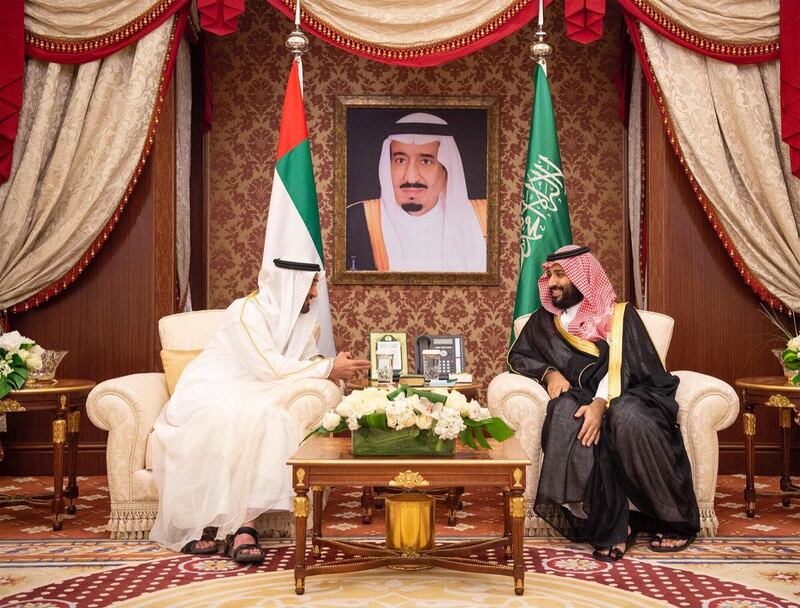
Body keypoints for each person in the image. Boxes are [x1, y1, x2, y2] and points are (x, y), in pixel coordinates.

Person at [149, 257, 370, 562]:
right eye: (311, 286)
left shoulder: (304, 320)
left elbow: (302, 363)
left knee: (270, 420)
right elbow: (269, 367)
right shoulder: (244, 312)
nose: (315, 294)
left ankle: (244, 527)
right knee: (236, 416)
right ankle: (201, 524)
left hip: (258, 391)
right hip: (212, 388)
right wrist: (329, 367)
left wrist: (326, 365)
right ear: (287, 285)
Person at [508, 244, 699, 561]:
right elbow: (520, 356)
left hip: (634, 393)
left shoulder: (620, 315)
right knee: (566, 413)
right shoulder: (544, 321)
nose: (552, 283)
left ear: (582, 279)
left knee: (624, 417)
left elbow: (626, 367)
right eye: (550, 275)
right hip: (580, 396)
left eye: (561, 275)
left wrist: (601, 404)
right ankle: (610, 525)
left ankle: (674, 521)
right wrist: (549, 373)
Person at [346, 112, 487, 272]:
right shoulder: (355, 221)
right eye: (400, 160)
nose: (411, 176)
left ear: (445, 169)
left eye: (426, 161)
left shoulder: (483, 220)